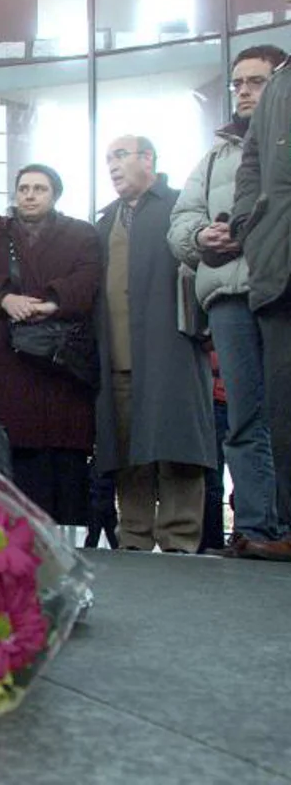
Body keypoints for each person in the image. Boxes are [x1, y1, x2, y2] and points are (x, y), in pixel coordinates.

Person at [168, 44, 287, 554]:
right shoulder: (214, 157)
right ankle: (259, 527)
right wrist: (201, 239)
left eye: (255, 82)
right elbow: (181, 221)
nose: (243, 90)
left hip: (281, 288)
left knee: (284, 410)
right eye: (238, 83)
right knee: (244, 418)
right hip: (230, 298)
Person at [95, 135, 215, 553]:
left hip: (173, 350)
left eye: (120, 156)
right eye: (108, 159)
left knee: (178, 443)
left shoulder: (180, 208)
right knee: (128, 451)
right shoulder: (104, 220)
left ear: (148, 158)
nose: (112, 165)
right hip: (118, 358)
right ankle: (134, 539)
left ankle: (180, 542)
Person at [0, 164, 101, 526]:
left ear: (55, 195)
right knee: (10, 452)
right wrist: (6, 300)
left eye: (39, 189)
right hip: (5, 357)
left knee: (63, 462)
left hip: (59, 363)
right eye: (24, 188)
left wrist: (54, 302)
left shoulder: (81, 234)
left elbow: (89, 275)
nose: (29, 195)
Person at [230, 51, 291, 561]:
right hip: (278, 268)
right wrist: (251, 228)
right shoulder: (278, 91)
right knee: (283, 407)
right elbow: (251, 168)